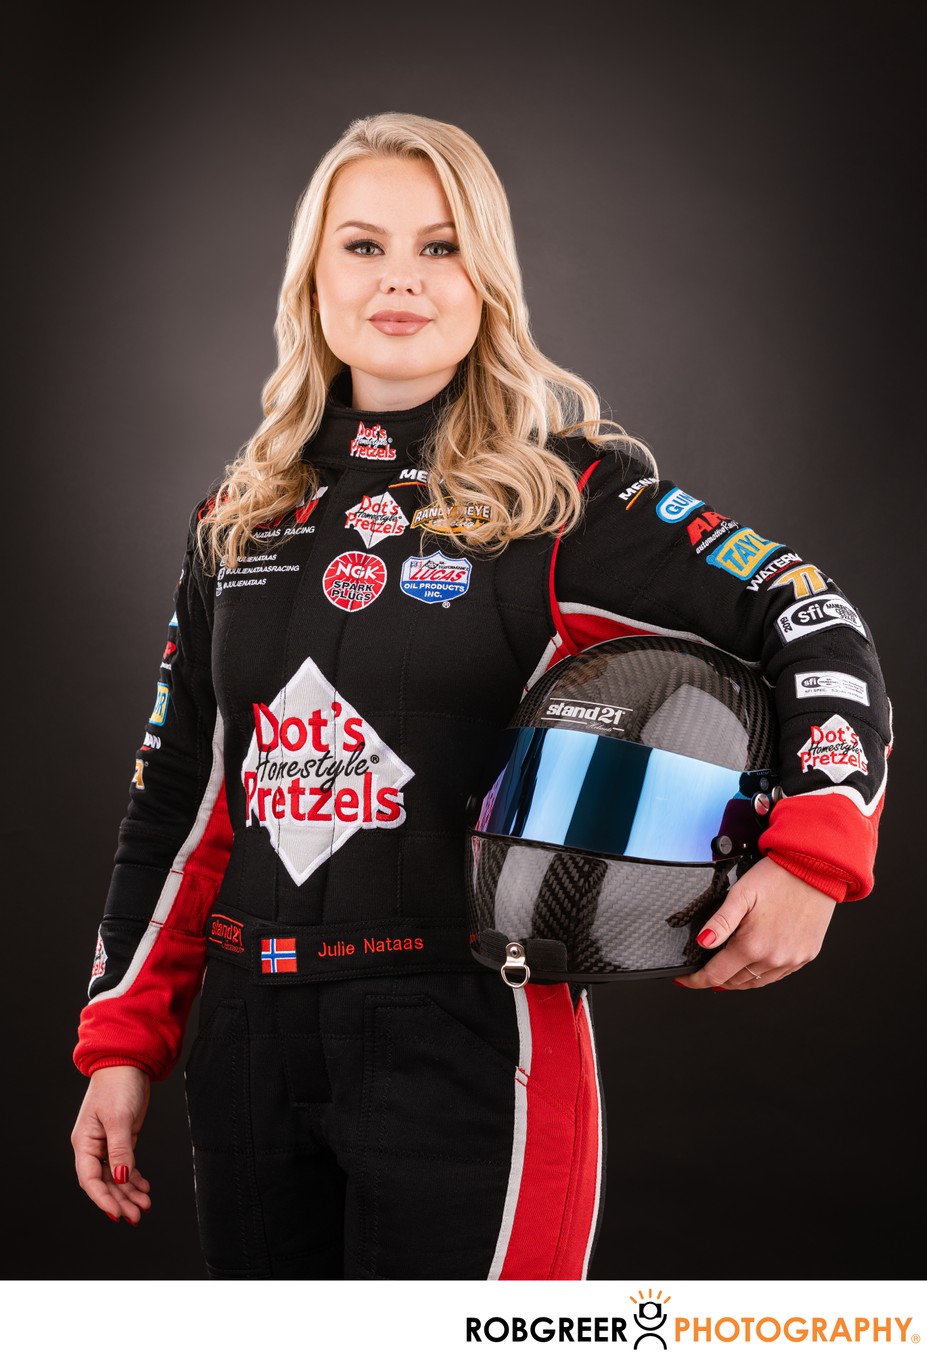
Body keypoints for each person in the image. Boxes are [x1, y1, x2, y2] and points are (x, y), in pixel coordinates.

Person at [70, 112, 891, 1280]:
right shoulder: (235, 521)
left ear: (488, 279)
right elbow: (180, 806)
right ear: (312, 276)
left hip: (467, 1035)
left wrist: (814, 854)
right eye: (363, 245)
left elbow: (813, 616)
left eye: (441, 245)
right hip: (248, 1049)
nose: (400, 275)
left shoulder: (564, 496)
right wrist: (123, 1040)